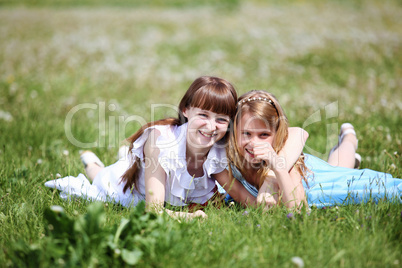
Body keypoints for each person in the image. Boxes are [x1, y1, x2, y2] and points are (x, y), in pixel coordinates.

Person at [226, 90, 401, 210]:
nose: (254, 143)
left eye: (264, 134)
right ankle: (349, 150)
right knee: (337, 165)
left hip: (314, 181)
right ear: (234, 132)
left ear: (277, 133)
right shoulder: (230, 158)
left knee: (340, 174)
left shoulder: (285, 160)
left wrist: (277, 169)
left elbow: (297, 209)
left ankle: (349, 139)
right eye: (246, 133)